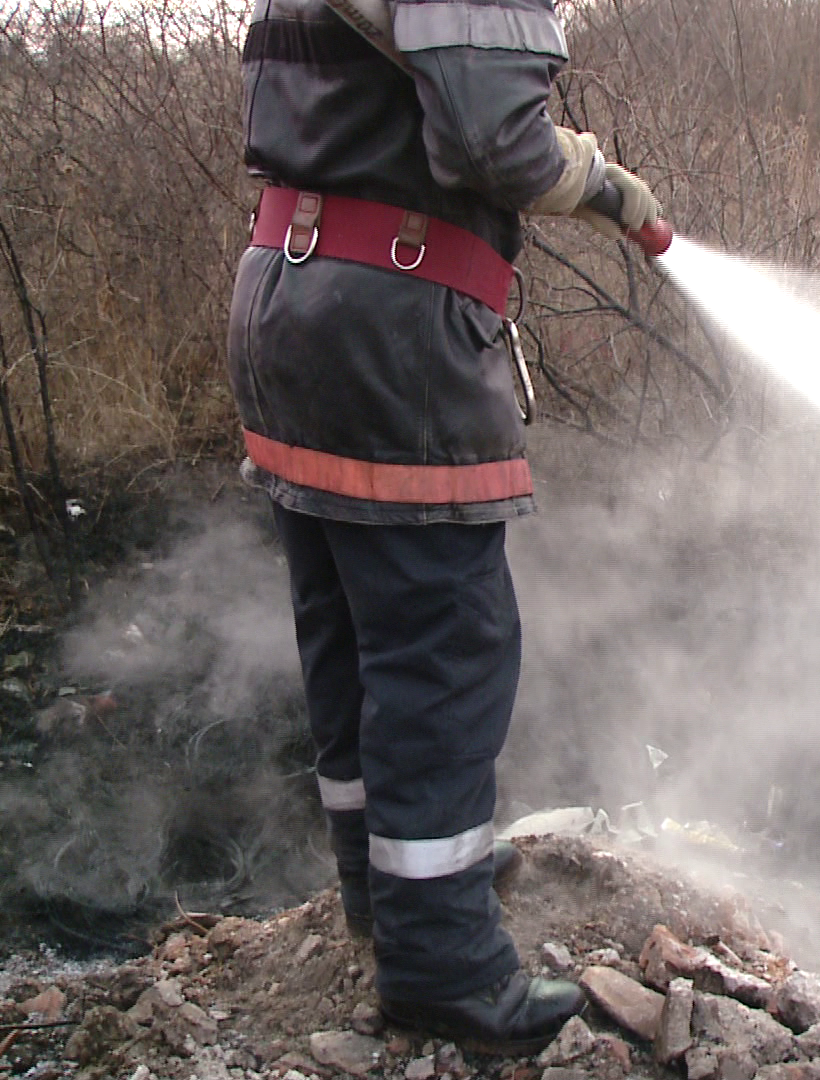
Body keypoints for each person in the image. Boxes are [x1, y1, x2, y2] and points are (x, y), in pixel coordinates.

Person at [228, 0, 658, 1054]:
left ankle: (397, 889)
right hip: (393, 335)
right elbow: (488, 140)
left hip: (290, 304)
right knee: (444, 650)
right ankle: (443, 969)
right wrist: (603, 183)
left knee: (350, 628)